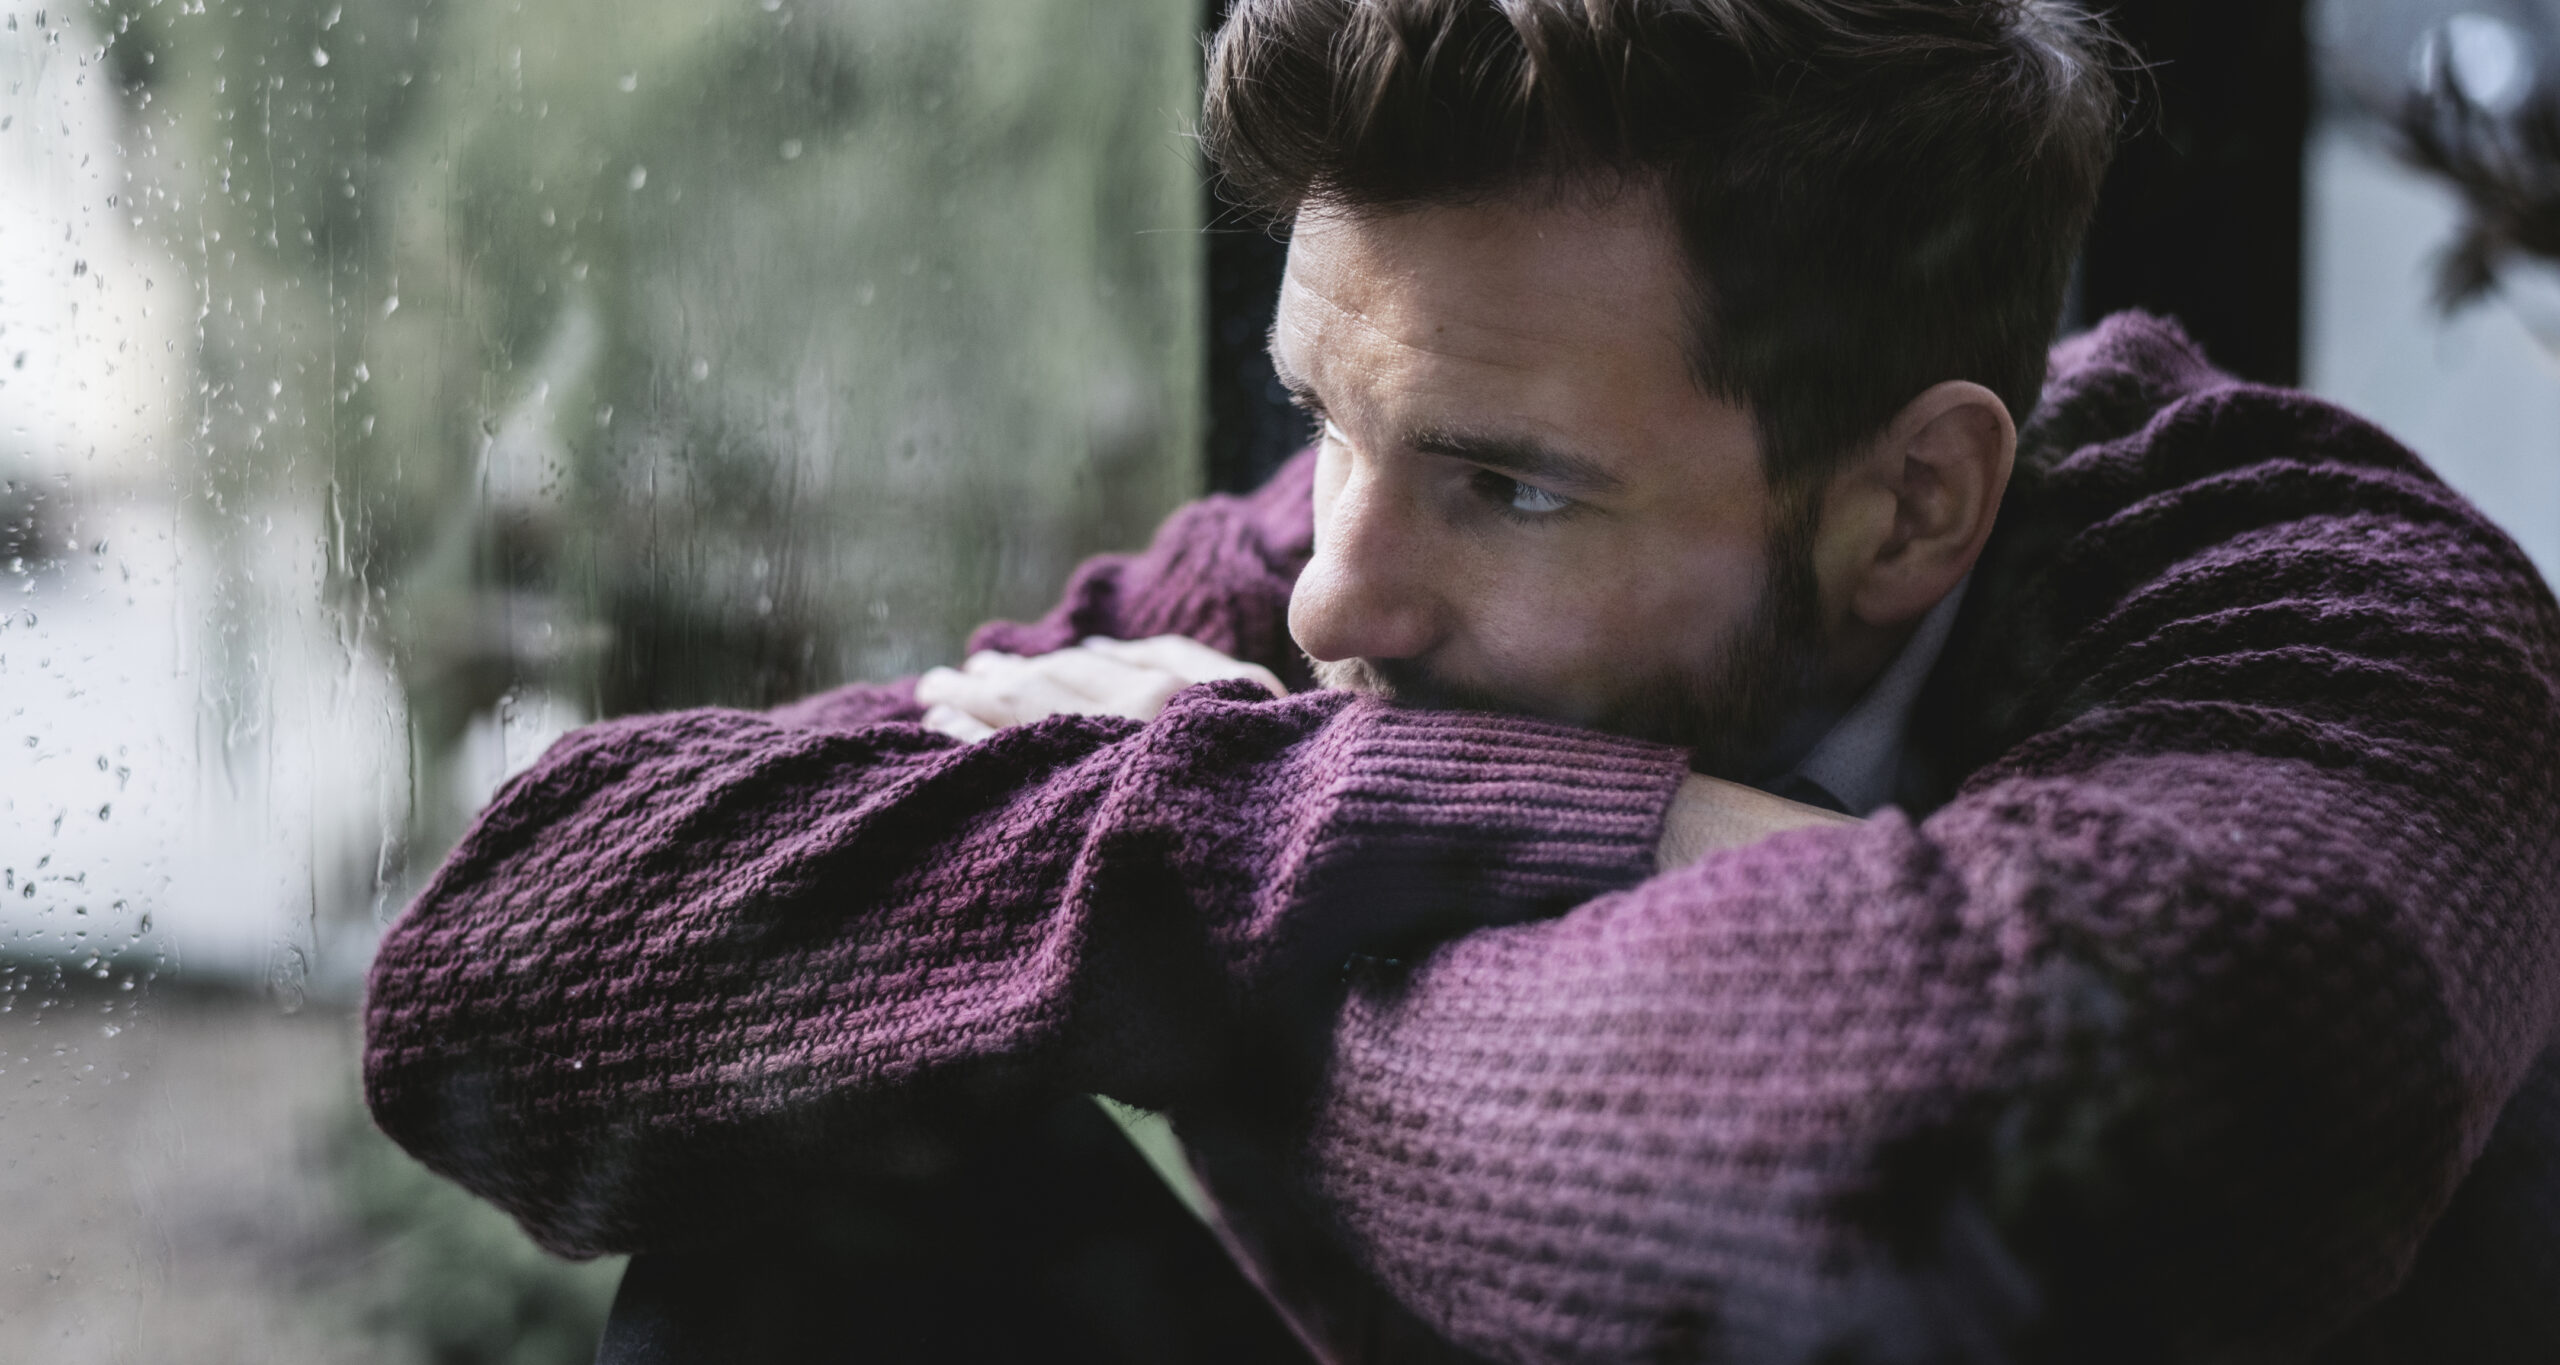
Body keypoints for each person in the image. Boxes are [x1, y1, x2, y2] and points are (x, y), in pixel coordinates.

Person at [363, 0, 2560, 1360]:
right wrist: (1319, 813)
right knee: (813, 1219)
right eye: (1319, 416)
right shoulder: (1333, 591)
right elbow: (498, 986)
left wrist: (1167, 927)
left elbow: (1937, 1194)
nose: (1329, 602)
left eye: (1507, 485)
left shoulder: (2323, 611)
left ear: (1906, 506)